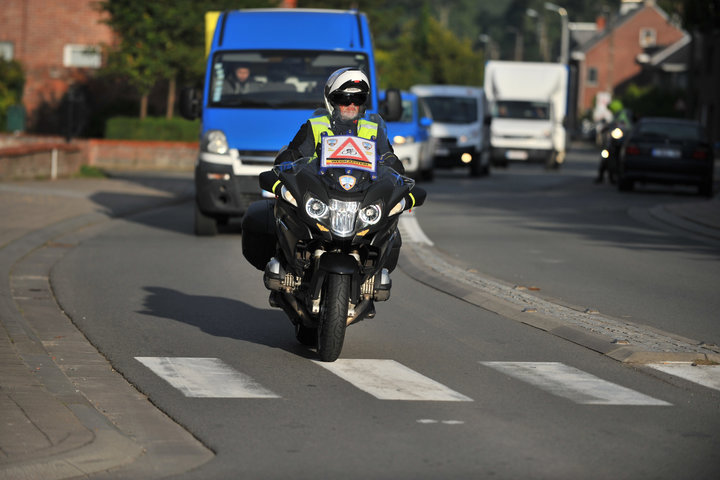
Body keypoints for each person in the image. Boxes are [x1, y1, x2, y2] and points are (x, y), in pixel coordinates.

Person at [274, 67, 404, 173]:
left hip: (365, 195)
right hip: (320, 195)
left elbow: (389, 159)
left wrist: (396, 168)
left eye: (358, 99)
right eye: (345, 99)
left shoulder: (373, 130)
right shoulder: (315, 127)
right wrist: (287, 162)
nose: (352, 105)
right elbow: (293, 155)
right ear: (332, 101)